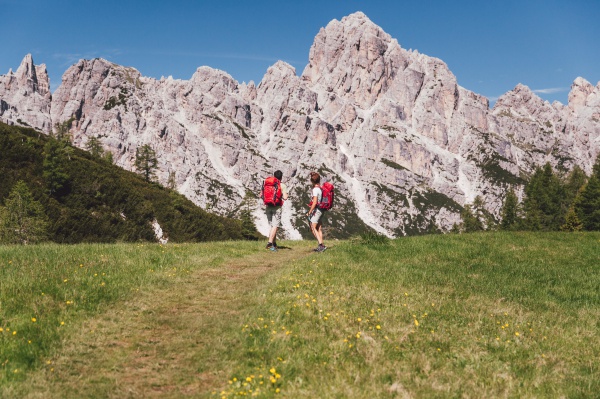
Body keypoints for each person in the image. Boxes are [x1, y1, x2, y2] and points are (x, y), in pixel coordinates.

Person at [265, 170, 288, 251]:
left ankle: (274, 244)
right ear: (281, 177)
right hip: (277, 207)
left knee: (272, 226)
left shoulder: (268, 185)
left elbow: (261, 195)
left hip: (268, 206)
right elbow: (285, 197)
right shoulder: (282, 185)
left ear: (274, 176)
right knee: (275, 226)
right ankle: (270, 242)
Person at [307, 172, 326, 252]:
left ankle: (321, 245)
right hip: (321, 210)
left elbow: (314, 202)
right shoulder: (321, 188)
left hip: (317, 210)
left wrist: (309, 212)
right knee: (319, 228)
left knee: (313, 227)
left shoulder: (315, 190)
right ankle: (322, 245)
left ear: (312, 181)